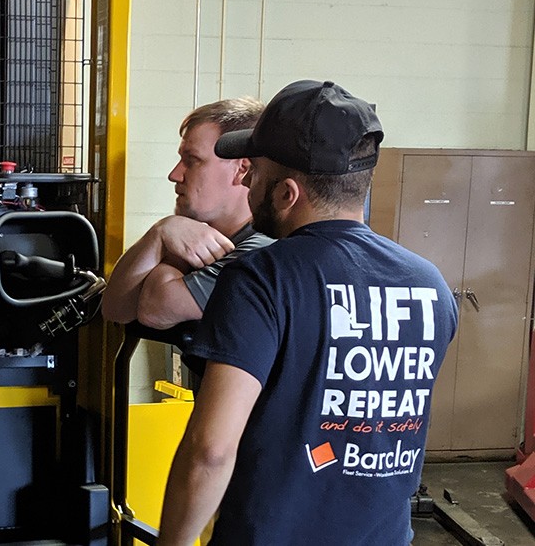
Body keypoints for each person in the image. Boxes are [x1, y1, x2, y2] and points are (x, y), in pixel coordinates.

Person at [156, 80, 458, 546]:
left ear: (286, 194)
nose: (246, 181)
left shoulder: (262, 279)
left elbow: (211, 451)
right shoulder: (429, 284)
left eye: (254, 172)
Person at [101, 98, 272, 342]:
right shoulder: (193, 238)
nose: (175, 174)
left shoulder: (261, 249)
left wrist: (166, 262)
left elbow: (153, 309)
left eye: (192, 161)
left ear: (241, 170)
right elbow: (115, 309)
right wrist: (160, 232)